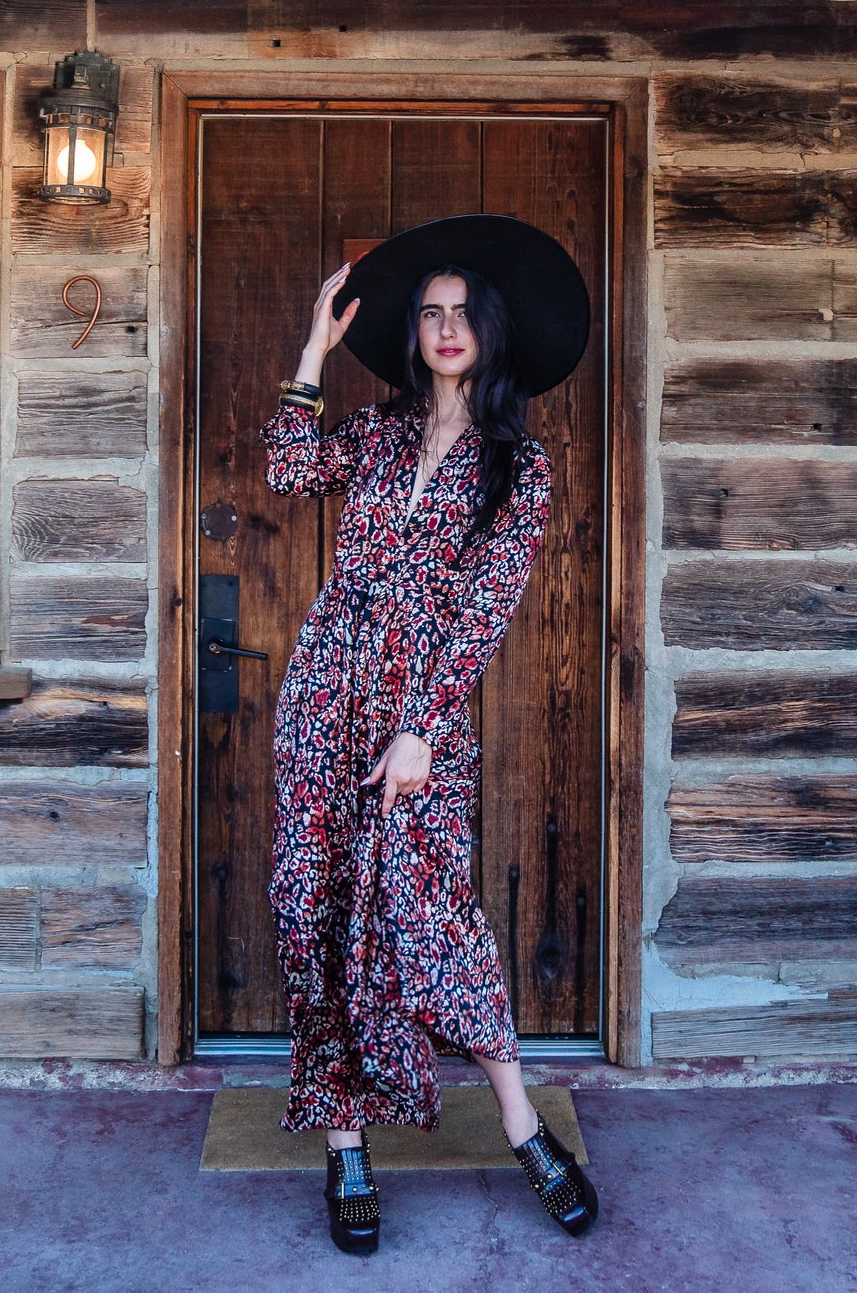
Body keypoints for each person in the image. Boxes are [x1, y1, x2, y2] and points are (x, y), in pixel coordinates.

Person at [260, 215, 599, 1255]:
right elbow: (283, 470)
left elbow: (484, 609)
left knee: (432, 915)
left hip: (422, 718)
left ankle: (518, 1122)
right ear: (411, 334)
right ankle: (345, 1143)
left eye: (462, 314)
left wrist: (419, 729)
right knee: (317, 909)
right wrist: (314, 351)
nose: (445, 328)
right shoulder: (372, 436)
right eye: (430, 313)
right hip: (325, 694)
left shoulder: (516, 464)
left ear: (488, 334)